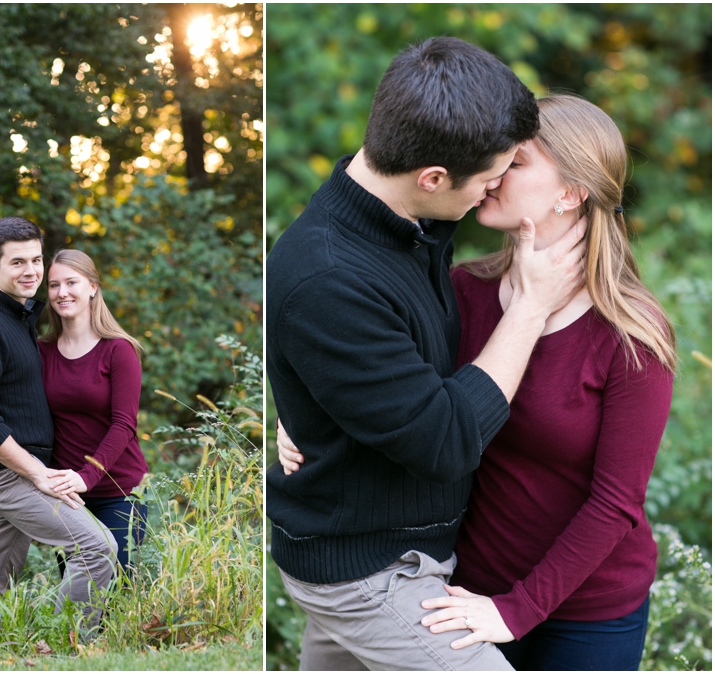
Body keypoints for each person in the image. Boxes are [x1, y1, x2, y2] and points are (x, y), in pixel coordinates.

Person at [278, 94, 676, 671]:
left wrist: (517, 610)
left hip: (585, 610)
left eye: (515, 163)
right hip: (459, 588)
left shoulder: (628, 334)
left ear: (570, 192)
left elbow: (615, 503)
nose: (490, 176)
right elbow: (390, 388)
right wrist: (307, 419)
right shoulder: (463, 289)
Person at [265, 37, 586, 671]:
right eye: (491, 177)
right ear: (433, 177)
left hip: (395, 549)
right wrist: (529, 307)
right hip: (370, 571)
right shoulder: (327, 278)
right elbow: (445, 442)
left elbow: (352, 362)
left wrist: (310, 405)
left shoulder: (410, 213)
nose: (492, 193)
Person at [0, 216, 118, 633]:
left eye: (36, 260)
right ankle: (64, 643)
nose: (31, 271)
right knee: (97, 549)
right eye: (18, 262)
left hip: (15, 470)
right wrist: (38, 474)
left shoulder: (18, 317)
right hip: (6, 474)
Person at [37, 249, 149, 576]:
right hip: (68, 497)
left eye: (72, 282)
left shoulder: (118, 350)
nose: (62, 292)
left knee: (116, 594)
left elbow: (124, 425)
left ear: (93, 287)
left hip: (120, 493)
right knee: (78, 597)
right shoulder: (41, 352)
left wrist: (86, 477)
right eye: (54, 285)